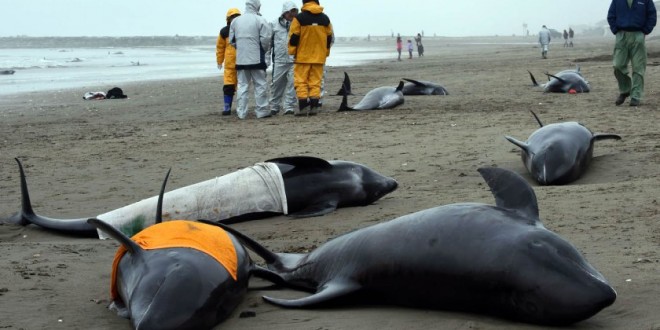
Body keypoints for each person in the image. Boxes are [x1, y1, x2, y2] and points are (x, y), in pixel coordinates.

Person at [288, 0, 333, 116]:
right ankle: (314, 107)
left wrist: (292, 52)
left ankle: (303, 108)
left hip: (302, 57)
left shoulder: (299, 18)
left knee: (301, 82)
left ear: (304, 3)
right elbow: (329, 38)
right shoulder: (325, 19)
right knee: (315, 82)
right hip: (319, 57)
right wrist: (325, 53)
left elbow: (294, 37)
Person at [608, 0, 657, 106]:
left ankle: (636, 96)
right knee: (618, 66)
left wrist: (645, 30)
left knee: (638, 68)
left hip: (638, 35)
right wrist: (615, 30)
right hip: (621, 36)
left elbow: (652, 15)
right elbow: (611, 16)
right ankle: (625, 90)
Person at [229, 0, 272, 119]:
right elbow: (266, 39)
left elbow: (231, 40)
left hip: (241, 59)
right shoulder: (260, 20)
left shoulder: (236, 21)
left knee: (242, 86)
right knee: (260, 85)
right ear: (257, 6)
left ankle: (241, 112)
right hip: (257, 58)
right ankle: (262, 111)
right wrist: (262, 50)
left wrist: (241, 48)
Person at [267, 1, 299, 115]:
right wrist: (267, 59)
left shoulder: (299, 24)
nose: (292, 14)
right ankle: (274, 107)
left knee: (292, 84)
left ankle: (289, 107)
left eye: (295, 11)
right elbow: (269, 43)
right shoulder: (274, 24)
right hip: (279, 60)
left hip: (294, 59)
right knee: (276, 85)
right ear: (285, 12)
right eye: (291, 11)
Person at [216, 8, 241, 116]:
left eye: (237, 16)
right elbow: (220, 48)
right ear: (228, 18)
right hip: (229, 65)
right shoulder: (224, 31)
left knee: (241, 87)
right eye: (233, 16)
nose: (235, 18)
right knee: (228, 86)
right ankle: (227, 107)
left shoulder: (244, 29)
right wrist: (219, 61)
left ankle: (241, 106)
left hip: (242, 63)